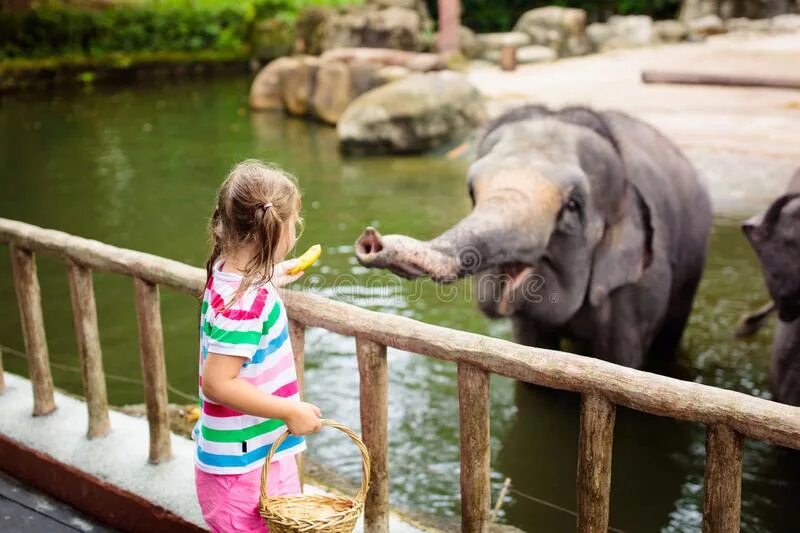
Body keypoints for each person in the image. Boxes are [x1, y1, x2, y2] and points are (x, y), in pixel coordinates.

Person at [193, 160, 322, 532]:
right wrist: (288, 410)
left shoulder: (226, 273)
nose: (295, 231)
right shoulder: (247, 304)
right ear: (272, 232)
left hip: (252, 452)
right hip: (242, 469)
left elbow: (245, 289)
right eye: (293, 224)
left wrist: (275, 273)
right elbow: (217, 383)